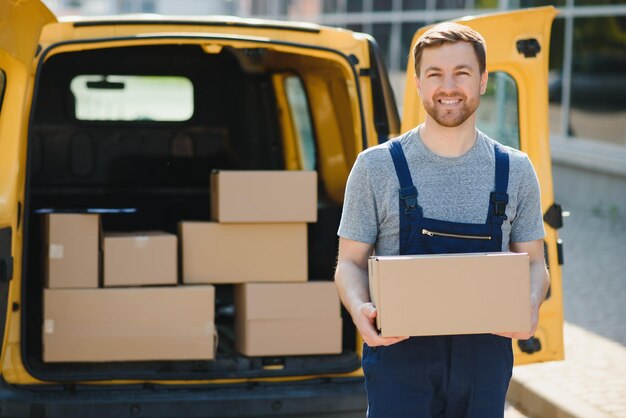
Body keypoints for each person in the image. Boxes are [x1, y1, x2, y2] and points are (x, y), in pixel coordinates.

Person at [334, 22, 550, 418]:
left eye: (462, 73)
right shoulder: (376, 167)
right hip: (399, 359)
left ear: (483, 80)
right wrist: (358, 308)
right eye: (435, 74)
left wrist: (531, 304)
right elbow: (348, 262)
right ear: (417, 82)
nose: (448, 87)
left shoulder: (515, 170)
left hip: (485, 363)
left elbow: (536, 262)